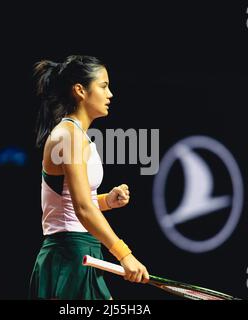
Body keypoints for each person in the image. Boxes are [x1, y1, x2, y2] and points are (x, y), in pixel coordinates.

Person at [29, 55, 149, 300]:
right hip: (70, 256)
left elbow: (72, 200)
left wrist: (105, 201)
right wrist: (124, 254)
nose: (110, 94)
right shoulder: (68, 137)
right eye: (103, 86)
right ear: (80, 90)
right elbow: (82, 207)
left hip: (80, 253)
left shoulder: (75, 135)